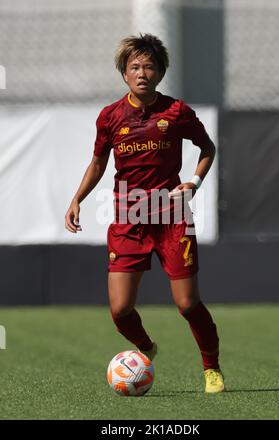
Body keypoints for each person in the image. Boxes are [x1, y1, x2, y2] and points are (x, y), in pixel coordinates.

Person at [65, 34, 225, 393]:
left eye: (149, 66)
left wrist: (195, 182)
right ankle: (147, 348)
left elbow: (207, 147)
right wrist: (77, 199)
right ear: (124, 74)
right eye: (134, 66)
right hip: (128, 220)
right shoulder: (110, 117)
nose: (142, 72)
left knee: (187, 304)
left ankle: (211, 368)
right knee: (120, 310)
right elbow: (97, 163)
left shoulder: (177, 112)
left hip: (172, 218)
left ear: (160, 72)